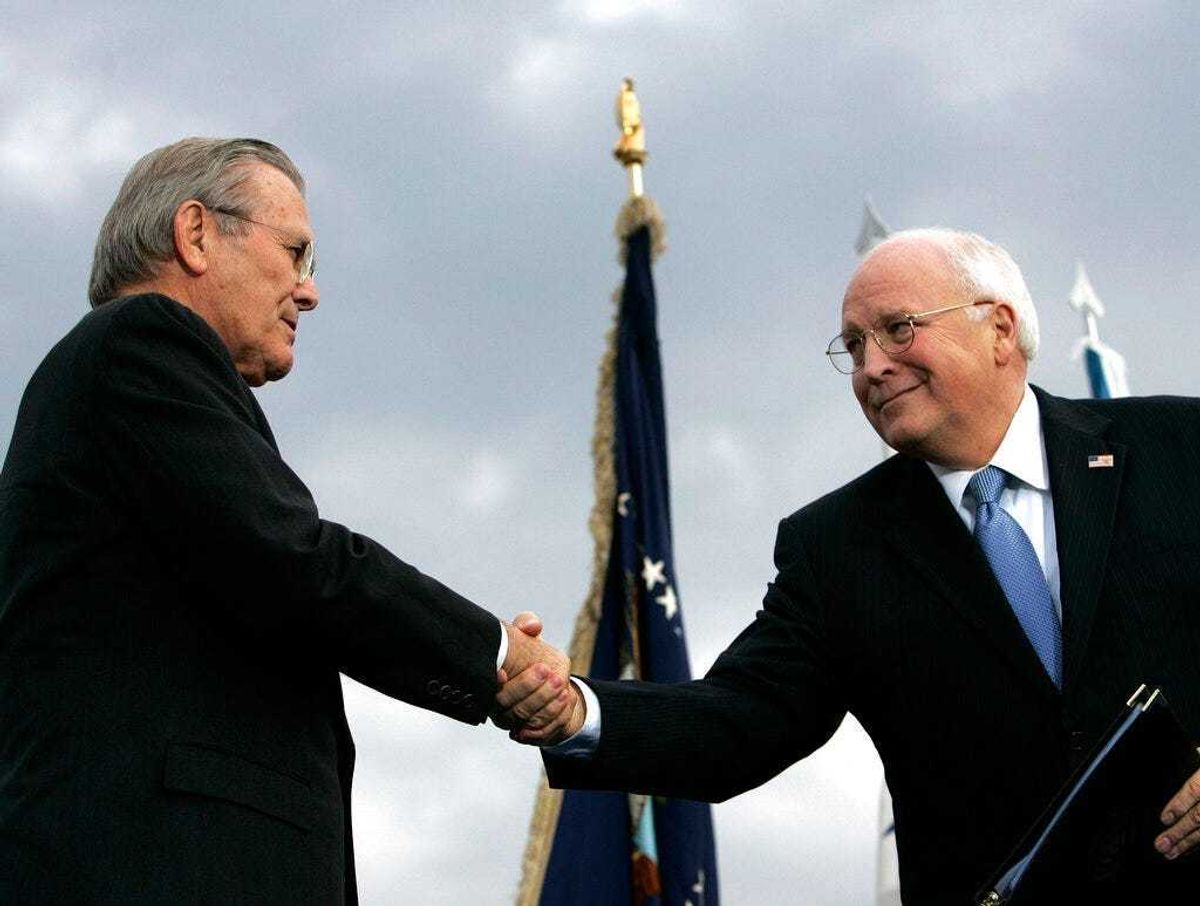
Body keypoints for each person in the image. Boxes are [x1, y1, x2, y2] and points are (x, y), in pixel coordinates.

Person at [497, 228, 1200, 902]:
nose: (871, 367)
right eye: (855, 346)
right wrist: (574, 711)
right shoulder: (837, 548)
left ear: (1001, 330)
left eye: (899, 329)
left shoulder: (1178, 449)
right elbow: (736, 722)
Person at [0, 137, 573, 905]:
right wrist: (497, 655)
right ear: (196, 234)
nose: (310, 292)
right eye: (297, 253)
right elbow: (294, 561)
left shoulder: (120, 379)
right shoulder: (139, 345)